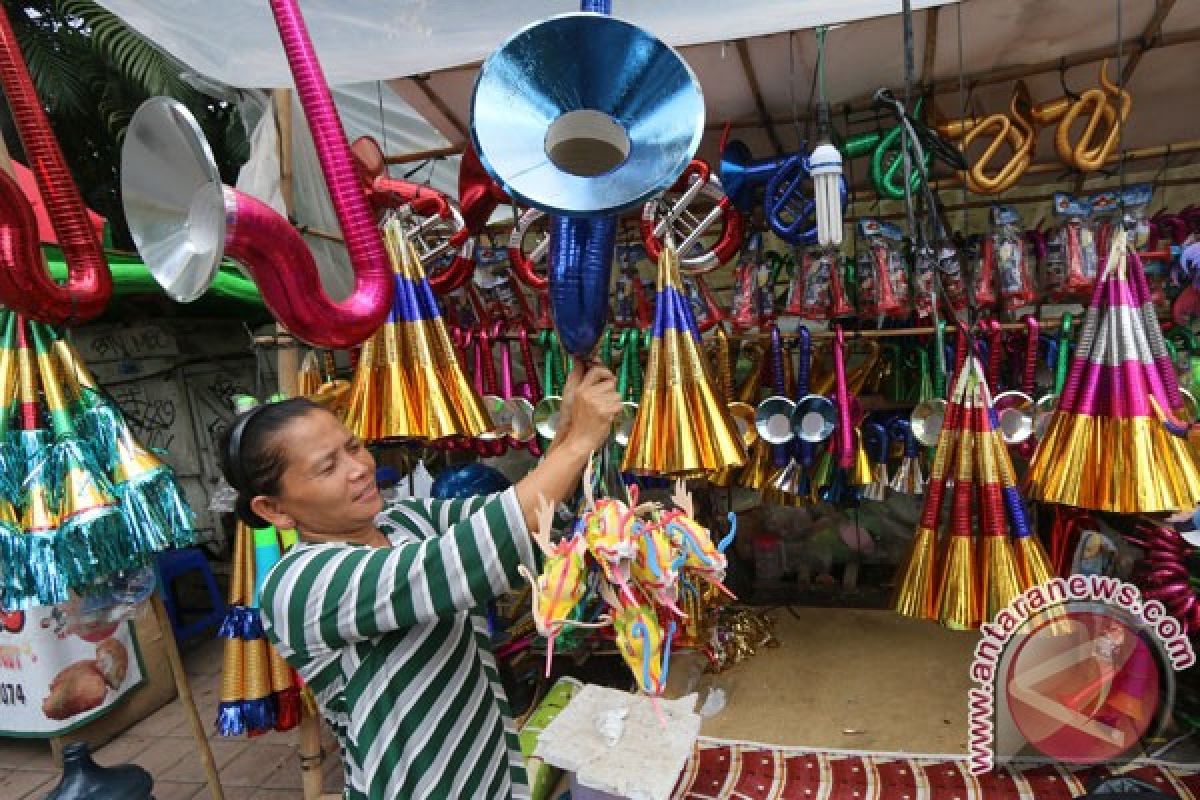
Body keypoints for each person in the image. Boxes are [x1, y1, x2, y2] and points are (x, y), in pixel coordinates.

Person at [219, 363, 623, 800]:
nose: (357, 468)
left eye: (353, 446)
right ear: (275, 510)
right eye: (327, 467)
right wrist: (580, 441)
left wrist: (564, 430)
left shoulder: (404, 520)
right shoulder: (300, 584)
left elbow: (517, 516)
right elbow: (480, 548)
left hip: (488, 767)